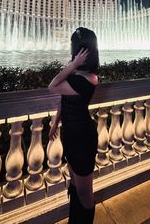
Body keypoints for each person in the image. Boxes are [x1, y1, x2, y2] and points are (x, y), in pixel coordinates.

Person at [48, 27, 99, 223]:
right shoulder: (76, 73)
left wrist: (73, 64)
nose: (72, 49)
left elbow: (52, 86)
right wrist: (55, 123)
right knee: (75, 184)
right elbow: (63, 99)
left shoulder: (90, 78)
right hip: (70, 134)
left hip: (83, 138)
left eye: (75, 47)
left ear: (84, 50)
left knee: (85, 191)